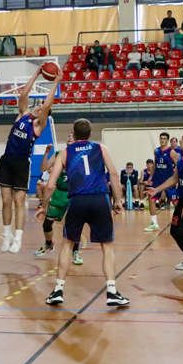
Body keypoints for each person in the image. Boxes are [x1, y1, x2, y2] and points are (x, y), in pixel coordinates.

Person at [41, 118, 129, 307]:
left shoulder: (65, 153)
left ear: (74, 132)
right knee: (107, 246)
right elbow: (113, 174)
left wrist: (43, 205)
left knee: (67, 244)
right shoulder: (100, 148)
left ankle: (58, 290)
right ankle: (112, 291)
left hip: (77, 201)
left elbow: (50, 184)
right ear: (90, 133)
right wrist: (119, 201)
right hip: (99, 199)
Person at [0, 67, 59, 253]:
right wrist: (37, 74)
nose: (39, 107)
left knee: (19, 200)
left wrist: (56, 81)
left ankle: (18, 238)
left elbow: (47, 104)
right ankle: (6, 235)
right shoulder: (22, 115)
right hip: (6, 161)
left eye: (42, 108)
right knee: (6, 201)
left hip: (22, 164)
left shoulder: (38, 127)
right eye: (37, 105)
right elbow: (24, 93)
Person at [146, 131, 183, 280]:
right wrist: (157, 189)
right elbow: (174, 179)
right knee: (174, 231)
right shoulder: (180, 160)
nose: (180, 139)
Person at [34, 133, 82, 265]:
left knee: (73, 224)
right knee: (47, 224)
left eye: (72, 136)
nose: (69, 137)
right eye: (68, 136)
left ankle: (76, 252)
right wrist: (46, 153)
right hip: (59, 193)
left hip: (73, 194)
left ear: (77, 140)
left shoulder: (80, 156)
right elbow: (44, 168)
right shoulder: (59, 154)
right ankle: (49, 244)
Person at [145, 132, 177, 231]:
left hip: (168, 181)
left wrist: (176, 178)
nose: (162, 140)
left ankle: (181, 222)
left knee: (175, 202)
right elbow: (155, 165)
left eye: (164, 138)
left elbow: (178, 165)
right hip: (157, 180)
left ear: (167, 140)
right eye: (161, 138)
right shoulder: (156, 151)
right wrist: (150, 177)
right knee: (151, 198)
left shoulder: (172, 152)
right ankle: (154, 223)